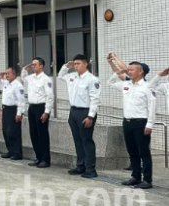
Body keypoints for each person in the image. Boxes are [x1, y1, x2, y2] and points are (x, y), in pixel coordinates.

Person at [108, 57, 156, 189]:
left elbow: (152, 107)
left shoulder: (148, 87)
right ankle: (135, 177)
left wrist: (150, 124)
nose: (129, 71)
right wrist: (119, 72)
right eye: (128, 69)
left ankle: (147, 179)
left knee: (143, 152)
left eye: (132, 69)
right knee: (132, 151)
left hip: (141, 123)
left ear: (140, 72)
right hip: (127, 123)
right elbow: (110, 83)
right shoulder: (126, 85)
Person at [58, 54, 100, 178]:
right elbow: (60, 76)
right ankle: (80, 166)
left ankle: (90, 169)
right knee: (77, 141)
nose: (76, 66)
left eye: (78, 64)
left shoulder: (92, 79)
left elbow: (95, 99)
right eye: (75, 64)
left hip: (85, 112)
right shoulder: (72, 76)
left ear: (85, 64)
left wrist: (91, 116)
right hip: (74, 112)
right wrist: (66, 66)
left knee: (87, 141)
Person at [21, 58, 54, 168]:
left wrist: (47, 112)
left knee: (42, 134)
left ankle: (45, 159)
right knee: (33, 133)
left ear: (41, 66)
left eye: (35, 65)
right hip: (32, 108)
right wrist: (25, 69)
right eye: (32, 65)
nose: (33, 66)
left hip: (41, 107)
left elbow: (50, 97)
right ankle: (38, 157)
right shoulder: (31, 78)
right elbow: (23, 77)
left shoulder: (46, 79)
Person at [0, 67, 26, 160]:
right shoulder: (6, 84)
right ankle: (10, 151)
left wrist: (19, 113)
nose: (7, 75)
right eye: (6, 74)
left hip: (14, 110)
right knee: (5, 131)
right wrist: (1, 74)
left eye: (9, 73)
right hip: (5, 109)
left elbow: (21, 101)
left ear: (14, 75)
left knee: (13, 132)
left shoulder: (18, 85)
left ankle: (17, 153)